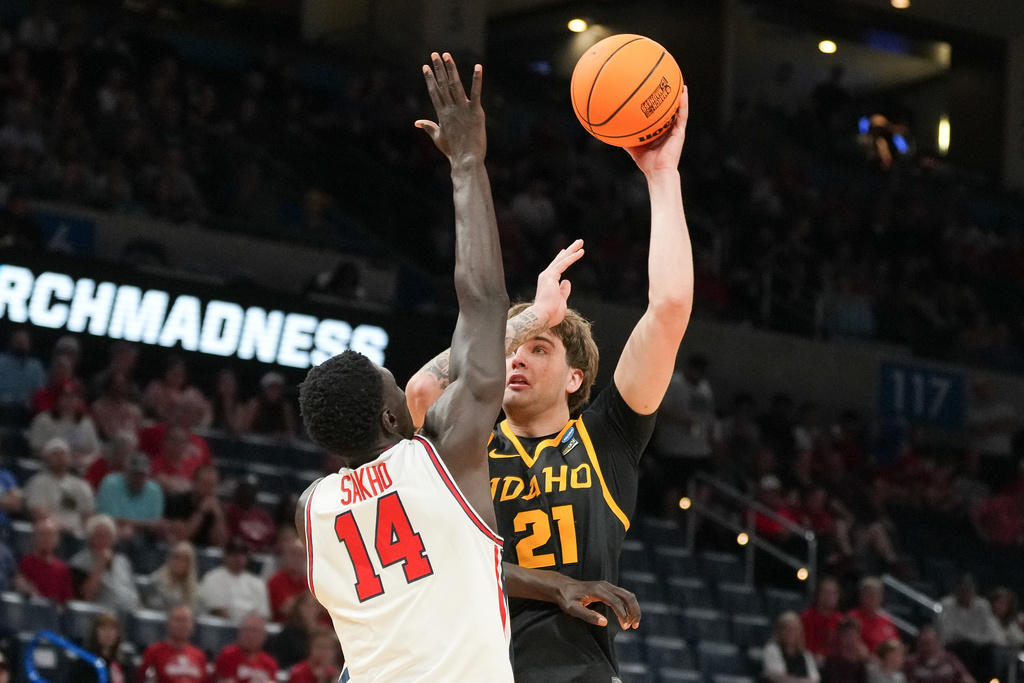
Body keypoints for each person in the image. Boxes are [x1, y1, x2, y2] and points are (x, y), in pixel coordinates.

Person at [404, 66, 691, 683]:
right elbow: (423, 389)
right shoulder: (468, 442)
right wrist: (532, 316)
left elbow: (668, 310)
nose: (516, 357)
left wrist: (662, 177)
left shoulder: (607, 439)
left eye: (538, 349)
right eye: (513, 347)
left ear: (575, 379)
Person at [297, 53, 518, 683]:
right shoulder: (443, 454)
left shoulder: (311, 509)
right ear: (394, 414)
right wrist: (468, 163)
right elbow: (483, 302)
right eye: (397, 380)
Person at [24, 438, 95, 538]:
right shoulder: (37, 482)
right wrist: (63, 527)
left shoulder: (81, 485)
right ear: (46, 459)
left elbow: (88, 514)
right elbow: (38, 512)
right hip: (51, 533)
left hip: (79, 535)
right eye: (55, 454)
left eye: (62, 454)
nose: (59, 458)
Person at [69, 514, 140, 613]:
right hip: (100, 616)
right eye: (98, 536)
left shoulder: (122, 561)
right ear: (90, 538)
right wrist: (100, 564)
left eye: (107, 536)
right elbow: (85, 597)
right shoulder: (79, 562)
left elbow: (132, 592)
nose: (103, 540)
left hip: (129, 614)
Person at [27, 380, 101, 469]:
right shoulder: (43, 420)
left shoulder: (86, 423)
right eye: (65, 396)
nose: (69, 400)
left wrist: (84, 459)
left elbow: (95, 452)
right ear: (57, 398)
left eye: (73, 396)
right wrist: (58, 457)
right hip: (49, 468)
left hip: (81, 468)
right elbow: (35, 448)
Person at [937, 575, 997, 682]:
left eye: (969, 591)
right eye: (963, 591)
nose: (966, 594)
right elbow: (946, 634)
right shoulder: (946, 605)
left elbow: (991, 634)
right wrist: (966, 638)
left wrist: (971, 639)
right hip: (954, 647)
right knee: (965, 648)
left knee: (989, 652)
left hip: (978, 648)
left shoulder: (983, 606)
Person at [197, 536, 270, 623]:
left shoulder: (257, 583)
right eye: (233, 553)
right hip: (221, 630)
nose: (237, 558)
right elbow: (216, 610)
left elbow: (263, 615)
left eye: (242, 554)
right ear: (226, 555)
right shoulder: (212, 578)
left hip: (249, 630)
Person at [96, 453, 166, 540]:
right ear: (125, 472)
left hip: (145, 537)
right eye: (134, 474)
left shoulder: (155, 490)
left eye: (142, 475)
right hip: (114, 535)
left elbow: (155, 525)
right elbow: (109, 520)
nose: (138, 479)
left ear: (148, 475)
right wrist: (144, 525)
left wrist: (132, 525)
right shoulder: (110, 483)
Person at [164, 464, 229, 547]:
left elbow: (220, 542)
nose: (209, 489)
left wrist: (218, 517)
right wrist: (201, 512)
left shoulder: (218, 506)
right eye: (205, 484)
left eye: (212, 485)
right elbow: (181, 537)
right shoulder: (176, 501)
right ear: (194, 482)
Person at [139, 605, 208, 683]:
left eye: (186, 620)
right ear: (168, 623)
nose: (182, 625)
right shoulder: (153, 652)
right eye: (178, 620)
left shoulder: (199, 656)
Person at [266, 592, 328, 670]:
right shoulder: (288, 633)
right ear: (298, 607)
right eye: (306, 605)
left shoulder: (325, 633)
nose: (310, 609)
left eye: (314, 606)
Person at [18, 516, 73, 603]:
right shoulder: (25, 563)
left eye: (50, 535)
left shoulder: (63, 569)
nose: (45, 539)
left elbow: (66, 601)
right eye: (42, 534)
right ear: (33, 537)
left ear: (57, 539)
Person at [68, 612, 134, 683]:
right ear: (95, 632)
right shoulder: (85, 663)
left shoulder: (124, 664)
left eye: (112, 628)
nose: (108, 633)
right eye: (103, 628)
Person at [213, 614, 279, 683]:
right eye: (247, 630)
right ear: (240, 632)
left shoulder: (270, 664)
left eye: (255, 631)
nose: (250, 635)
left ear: (264, 636)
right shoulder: (227, 656)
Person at [764, 611, 821, 683]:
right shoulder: (772, 650)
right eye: (787, 629)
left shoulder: (806, 654)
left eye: (795, 629)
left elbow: (815, 679)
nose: (791, 633)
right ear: (779, 631)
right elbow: (779, 677)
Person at [904, 625, 975, 683]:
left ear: (938, 643)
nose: (927, 647)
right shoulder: (911, 663)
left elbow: (965, 677)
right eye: (924, 643)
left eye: (931, 643)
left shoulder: (949, 659)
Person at [848, 577, 900, 654]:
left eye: (876, 595)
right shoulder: (852, 618)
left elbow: (896, 645)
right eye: (869, 594)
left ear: (881, 598)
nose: (872, 598)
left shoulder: (886, 620)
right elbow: (850, 644)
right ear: (861, 597)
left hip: (885, 662)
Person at [0, 329, 45, 417]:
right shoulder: (1, 361)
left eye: (23, 341)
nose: (21, 344)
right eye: (18, 341)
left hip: (26, 413)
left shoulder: (36, 366)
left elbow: (40, 390)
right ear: (12, 342)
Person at [224, 475, 275, 552]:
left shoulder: (263, 516)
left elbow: (272, 537)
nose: (247, 493)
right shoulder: (229, 511)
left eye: (251, 490)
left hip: (261, 554)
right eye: (244, 489)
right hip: (237, 552)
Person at [238, 372, 297, 438]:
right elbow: (244, 428)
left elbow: (290, 431)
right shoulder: (255, 404)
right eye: (271, 388)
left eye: (277, 389)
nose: (274, 392)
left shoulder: (285, 408)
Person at [146, 540, 199, 611]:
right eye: (177, 557)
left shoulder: (193, 588)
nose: (180, 562)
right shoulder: (155, 580)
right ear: (170, 558)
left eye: (185, 559)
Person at [90, 371, 144, 441]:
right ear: (109, 386)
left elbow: (138, 432)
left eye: (122, 384)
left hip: (131, 445)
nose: (118, 388)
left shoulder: (134, 410)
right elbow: (102, 432)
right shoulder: (98, 408)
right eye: (116, 384)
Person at [802, 577, 844, 662]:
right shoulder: (806, 618)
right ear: (818, 594)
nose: (829, 597)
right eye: (826, 593)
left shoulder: (841, 620)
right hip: (811, 660)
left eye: (833, 593)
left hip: (835, 663)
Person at [267, 538, 308, 622]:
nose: (297, 559)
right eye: (293, 554)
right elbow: (284, 609)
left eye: (301, 555)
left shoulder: (310, 583)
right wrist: (307, 598)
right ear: (285, 557)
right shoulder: (276, 581)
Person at [821, 618, 869, 683]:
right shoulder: (832, 659)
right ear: (840, 636)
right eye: (846, 634)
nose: (850, 638)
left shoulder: (863, 661)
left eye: (853, 634)